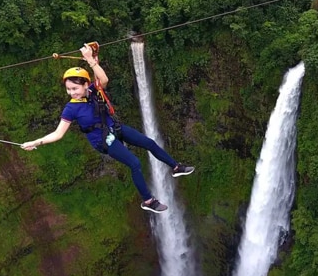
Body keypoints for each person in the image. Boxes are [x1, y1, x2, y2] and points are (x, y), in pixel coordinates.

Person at [21, 43, 194, 213]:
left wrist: (91, 60)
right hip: (103, 140)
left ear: (84, 85)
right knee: (135, 163)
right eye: (68, 89)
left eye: (74, 88)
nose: (71, 93)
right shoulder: (71, 108)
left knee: (149, 143)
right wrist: (36, 142)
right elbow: (58, 134)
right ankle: (148, 201)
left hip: (115, 128)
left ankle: (176, 167)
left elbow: (104, 79)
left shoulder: (94, 90)